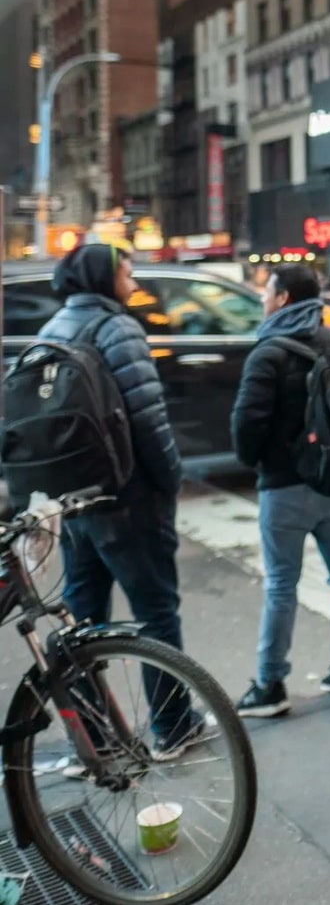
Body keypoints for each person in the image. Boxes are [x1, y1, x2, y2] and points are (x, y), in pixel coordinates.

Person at [38, 243, 199, 758]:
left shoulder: (51, 329)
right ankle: (174, 727)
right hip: (127, 499)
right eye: (127, 271)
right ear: (105, 278)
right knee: (156, 613)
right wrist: (170, 479)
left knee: (84, 625)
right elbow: (149, 418)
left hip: (75, 505)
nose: (132, 281)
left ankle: (94, 740)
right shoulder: (118, 329)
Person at [231, 264, 330, 716]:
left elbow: (245, 431)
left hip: (284, 488)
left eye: (268, 290)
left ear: (284, 297)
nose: (264, 298)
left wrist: (258, 462)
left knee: (282, 587)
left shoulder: (267, 353)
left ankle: (270, 685)